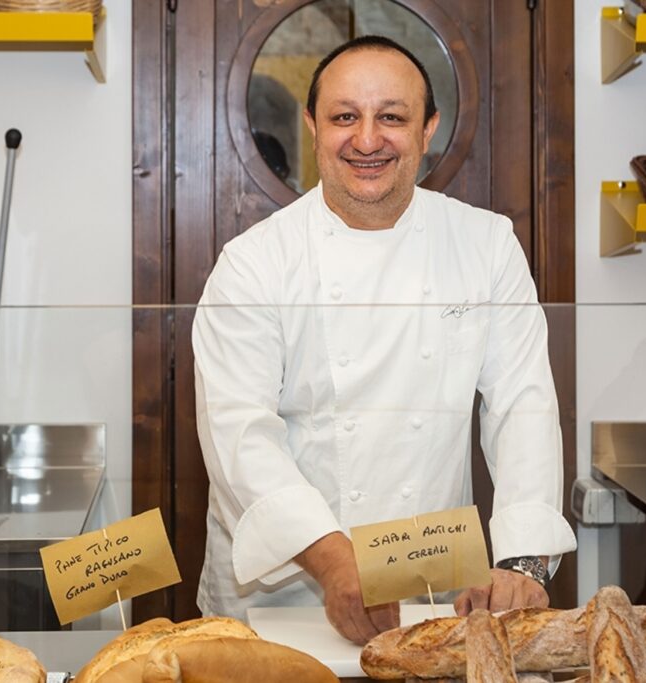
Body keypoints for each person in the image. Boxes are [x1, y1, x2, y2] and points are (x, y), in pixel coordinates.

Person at [191, 35, 577, 645]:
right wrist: (334, 561)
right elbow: (239, 434)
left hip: (432, 594)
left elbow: (522, 406)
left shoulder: (486, 244)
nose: (367, 139)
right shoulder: (254, 263)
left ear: (428, 130)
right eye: (345, 116)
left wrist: (523, 561)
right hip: (286, 596)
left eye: (391, 117)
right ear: (312, 126)